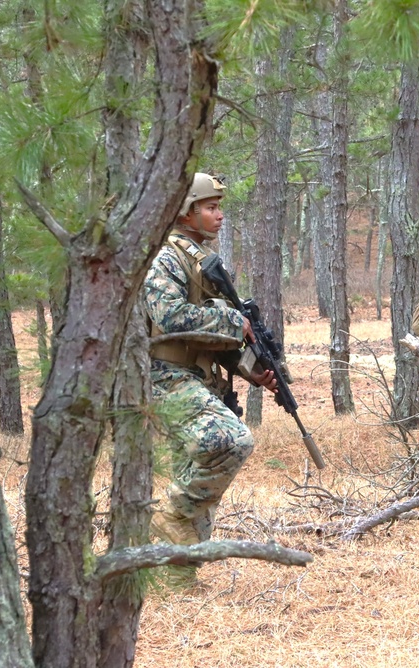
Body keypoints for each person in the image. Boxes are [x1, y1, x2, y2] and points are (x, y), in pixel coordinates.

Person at [143, 172, 277, 576]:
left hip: (195, 376)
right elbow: (169, 318)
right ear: (186, 213)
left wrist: (252, 371)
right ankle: (169, 514)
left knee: (198, 471)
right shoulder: (165, 257)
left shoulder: (197, 257)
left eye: (219, 207)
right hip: (164, 375)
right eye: (210, 208)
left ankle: (179, 575)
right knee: (229, 440)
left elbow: (213, 338)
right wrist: (232, 321)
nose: (220, 216)